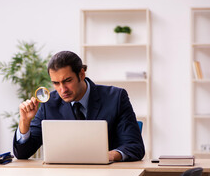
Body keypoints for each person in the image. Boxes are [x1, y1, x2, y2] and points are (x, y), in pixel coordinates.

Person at [13, 51, 145, 162]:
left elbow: (135, 147)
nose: (62, 89)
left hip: (108, 175)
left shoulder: (115, 97)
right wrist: (25, 121)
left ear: (81, 74)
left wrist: (107, 156)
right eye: (56, 83)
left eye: (67, 81)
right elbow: (22, 154)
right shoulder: (49, 104)